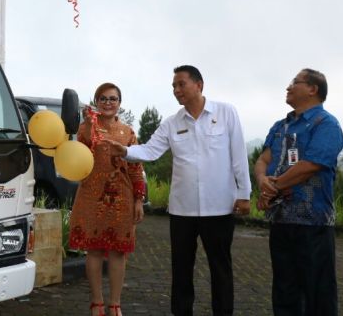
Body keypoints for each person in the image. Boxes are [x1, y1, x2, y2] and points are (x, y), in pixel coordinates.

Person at [105, 65, 251, 316]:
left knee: (221, 268)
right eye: (174, 86)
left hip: (219, 207)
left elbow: (238, 156)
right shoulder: (172, 123)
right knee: (181, 268)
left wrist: (244, 194)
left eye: (181, 84)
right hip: (182, 209)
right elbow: (150, 150)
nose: (176, 90)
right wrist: (126, 151)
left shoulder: (226, 113)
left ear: (199, 85)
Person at [254, 69, 343, 316]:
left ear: (313, 89)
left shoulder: (326, 124)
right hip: (281, 220)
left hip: (313, 222)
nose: (288, 87)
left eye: (295, 82)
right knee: (285, 290)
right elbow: (263, 160)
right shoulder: (280, 125)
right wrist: (262, 180)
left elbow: (311, 165)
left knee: (318, 292)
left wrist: (273, 186)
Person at [68, 82, 145, 316]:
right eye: (103, 99)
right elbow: (77, 156)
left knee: (118, 252)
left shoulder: (128, 132)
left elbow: (136, 166)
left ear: (119, 104)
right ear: (96, 102)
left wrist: (138, 199)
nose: (108, 103)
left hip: (122, 198)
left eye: (113, 99)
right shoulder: (85, 128)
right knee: (94, 250)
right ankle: (97, 303)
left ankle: (115, 304)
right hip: (91, 196)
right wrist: (89, 127)